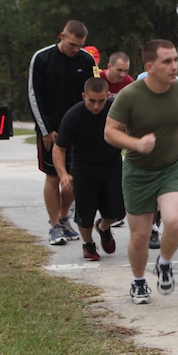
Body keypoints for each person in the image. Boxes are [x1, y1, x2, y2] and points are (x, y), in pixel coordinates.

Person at [105, 40, 178, 304]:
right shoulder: (130, 95)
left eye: (175, 60)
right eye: (167, 62)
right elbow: (110, 132)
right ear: (150, 67)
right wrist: (136, 143)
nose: (174, 67)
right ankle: (138, 281)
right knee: (140, 236)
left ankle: (165, 262)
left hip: (172, 167)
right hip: (138, 171)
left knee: (175, 221)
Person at [27, 20, 98, 246]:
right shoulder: (41, 58)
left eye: (79, 45)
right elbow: (33, 95)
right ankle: (54, 225)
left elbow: (92, 94)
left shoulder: (86, 60)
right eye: (72, 44)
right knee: (54, 176)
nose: (75, 49)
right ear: (62, 36)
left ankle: (64, 217)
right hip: (51, 130)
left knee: (74, 178)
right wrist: (46, 130)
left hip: (77, 131)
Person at [52, 77, 124, 262]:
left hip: (112, 166)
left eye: (101, 101)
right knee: (85, 214)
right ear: (84, 96)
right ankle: (88, 243)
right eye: (92, 101)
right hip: (84, 170)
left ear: (108, 96)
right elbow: (59, 148)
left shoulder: (115, 111)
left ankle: (103, 226)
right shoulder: (73, 116)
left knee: (118, 211)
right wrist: (62, 175)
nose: (96, 106)